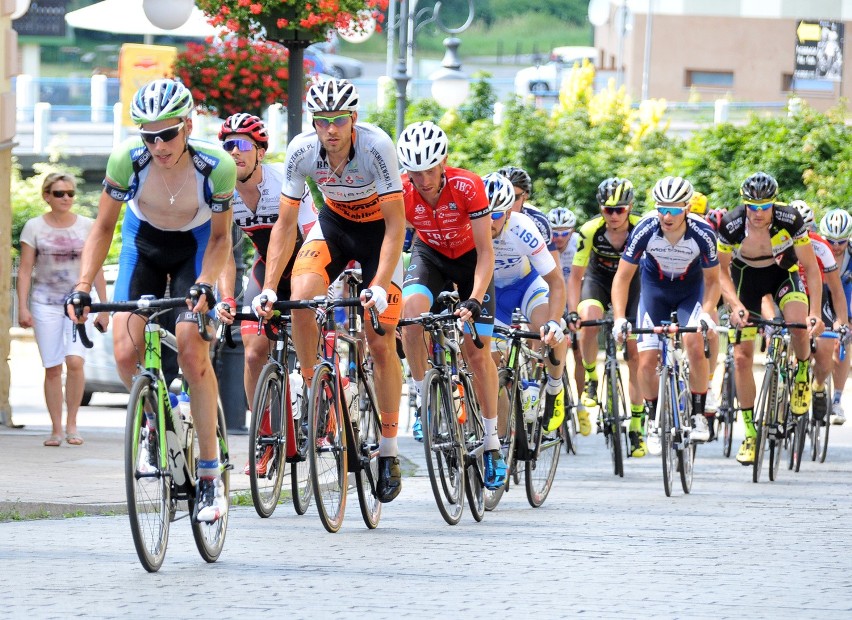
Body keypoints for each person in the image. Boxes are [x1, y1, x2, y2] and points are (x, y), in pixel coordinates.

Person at [65, 78, 237, 522]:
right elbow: (103, 227)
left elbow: (221, 238)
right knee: (124, 350)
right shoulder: (128, 159)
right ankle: (153, 426)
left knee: (190, 348)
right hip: (143, 245)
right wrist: (84, 285)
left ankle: (209, 476)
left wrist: (204, 283)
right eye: (148, 134)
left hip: (195, 247)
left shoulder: (215, 164)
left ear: (188, 123)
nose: (158, 144)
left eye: (168, 133)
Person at [252, 78, 406, 503]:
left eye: (339, 120)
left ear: (353, 119)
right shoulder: (302, 150)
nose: (331, 130)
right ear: (314, 123)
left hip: (379, 236)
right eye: (323, 121)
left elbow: (397, 226)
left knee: (380, 341)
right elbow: (284, 225)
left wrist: (377, 286)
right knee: (300, 298)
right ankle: (312, 391)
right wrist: (268, 287)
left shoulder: (378, 147)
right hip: (335, 226)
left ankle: (389, 450)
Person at [396, 121, 506, 489]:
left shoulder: (467, 185)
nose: (423, 179)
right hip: (430, 255)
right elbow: (393, 241)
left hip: (471, 259)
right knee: (409, 319)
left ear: (443, 161)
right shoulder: (402, 189)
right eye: (415, 171)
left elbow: (487, 251)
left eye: (429, 169)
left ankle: (491, 443)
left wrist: (474, 298)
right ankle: (421, 395)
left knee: (478, 355)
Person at [213, 113, 318, 475]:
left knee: (314, 351)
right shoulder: (222, 190)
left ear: (260, 152)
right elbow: (223, 249)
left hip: (307, 263)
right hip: (265, 269)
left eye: (242, 145)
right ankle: (266, 439)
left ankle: (327, 405)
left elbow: (312, 235)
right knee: (254, 350)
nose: (234, 153)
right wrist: (227, 298)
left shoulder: (282, 182)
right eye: (227, 146)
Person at [716, 172, 823, 465]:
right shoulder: (732, 224)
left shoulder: (790, 220)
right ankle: (750, 433)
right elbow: (720, 272)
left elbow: (811, 268)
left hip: (781, 274)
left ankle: (802, 374)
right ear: (745, 203)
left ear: (774, 204)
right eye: (753, 206)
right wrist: (734, 304)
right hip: (743, 279)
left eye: (765, 206)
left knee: (798, 325)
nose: (759, 212)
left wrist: (815, 313)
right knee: (740, 358)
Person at [612, 176, 720, 453]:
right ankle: (652, 420)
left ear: (686, 208)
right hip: (654, 291)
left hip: (690, 291)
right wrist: (619, 318)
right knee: (646, 359)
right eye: (661, 208)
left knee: (695, 344)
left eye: (673, 209)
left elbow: (713, 281)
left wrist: (707, 312)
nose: (666, 216)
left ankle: (698, 415)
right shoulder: (646, 229)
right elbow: (623, 277)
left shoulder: (703, 233)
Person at [18, 172, 109, 447]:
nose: (66, 198)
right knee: (53, 367)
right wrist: (22, 307)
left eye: (70, 193)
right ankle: (56, 428)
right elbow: (24, 271)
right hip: (45, 303)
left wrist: (103, 308)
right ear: (47, 196)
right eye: (59, 193)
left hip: (77, 303)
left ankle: (72, 424)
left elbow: (96, 269)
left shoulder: (86, 226)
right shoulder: (34, 227)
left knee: (75, 362)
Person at [566, 178, 644, 453]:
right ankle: (591, 378)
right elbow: (575, 277)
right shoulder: (590, 230)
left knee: (635, 354)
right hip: (598, 280)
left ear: (630, 208)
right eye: (607, 209)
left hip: (633, 285)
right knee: (588, 319)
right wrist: (573, 312)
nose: (613, 215)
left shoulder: (641, 229)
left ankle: (637, 425)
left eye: (620, 210)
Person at [487, 172, 569, 434]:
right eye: (484, 213)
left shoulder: (524, 228)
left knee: (548, 330)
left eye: (497, 214)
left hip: (527, 287)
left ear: (509, 213)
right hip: (492, 292)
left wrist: (556, 321)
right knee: (490, 371)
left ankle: (555, 389)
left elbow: (556, 281)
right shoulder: (470, 226)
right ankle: (498, 443)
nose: (489, 221)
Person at [547, 207, 585, 414]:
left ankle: (580, 402)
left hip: (574, 298)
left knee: (578, 353)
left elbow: (581, 280)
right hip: (552, 296)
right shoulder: (545, 244)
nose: (559, 238)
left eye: (564, 233)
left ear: (572, 232)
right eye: (555, 233)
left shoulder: (579, 243)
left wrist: (574, 310)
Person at [819, 208, 852, 424]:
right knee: (817, 337)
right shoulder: (818, 249)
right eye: (831, 240)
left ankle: (837, 400)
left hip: (846, 292)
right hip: (822, 291)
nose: (837, 246)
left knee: (844, 340)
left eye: (842, 241)